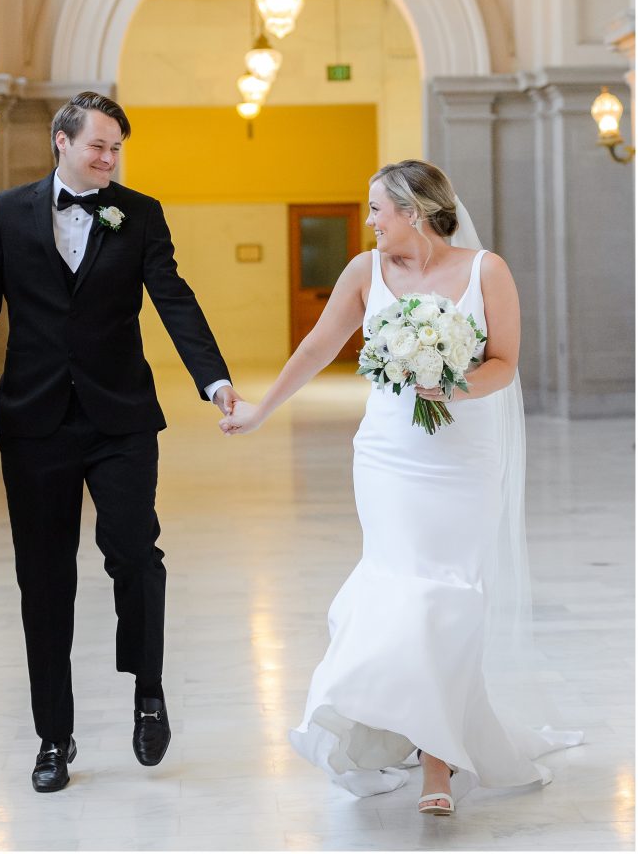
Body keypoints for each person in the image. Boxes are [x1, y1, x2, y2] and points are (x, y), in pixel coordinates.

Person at [220, 159, 582, 813]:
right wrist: (258, 411)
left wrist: (452, 384)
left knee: (447, 599)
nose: (368, 222)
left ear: (412, 212)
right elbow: (315, 348)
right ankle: (412, 746)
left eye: (376, 210)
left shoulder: (485, 271)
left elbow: (503, 363)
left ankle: (437, 761)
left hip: (462, 462)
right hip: (388, 456)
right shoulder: (365, 273)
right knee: (399, 586)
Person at [0, 91, 240, 793]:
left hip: (120, 418)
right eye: (98, 146)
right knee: (44, 578)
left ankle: (148, 689)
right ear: (62, 141)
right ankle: (54, 738)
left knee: (134, 552)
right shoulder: (7, 212)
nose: (110, 159)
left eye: (117, 148)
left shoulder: (138, 213)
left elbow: (173, 296)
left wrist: (213, 380)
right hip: (34, 423)